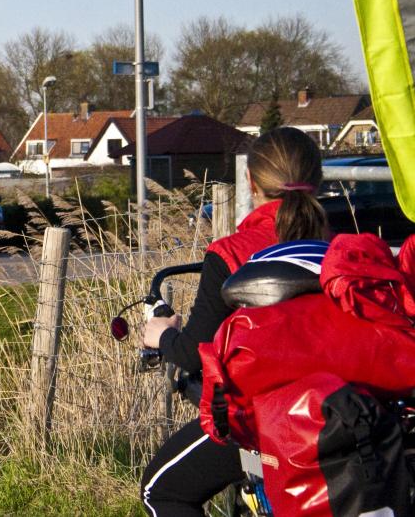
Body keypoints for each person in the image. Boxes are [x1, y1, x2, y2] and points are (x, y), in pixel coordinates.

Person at [139, 126, 329, 517]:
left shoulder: (231, 254)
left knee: (161, 490)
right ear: (319, 180)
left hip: (270, 422)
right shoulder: (347, 250)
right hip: (346, 412)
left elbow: (194, 354)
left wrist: (163, 335)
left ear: (251, 182)